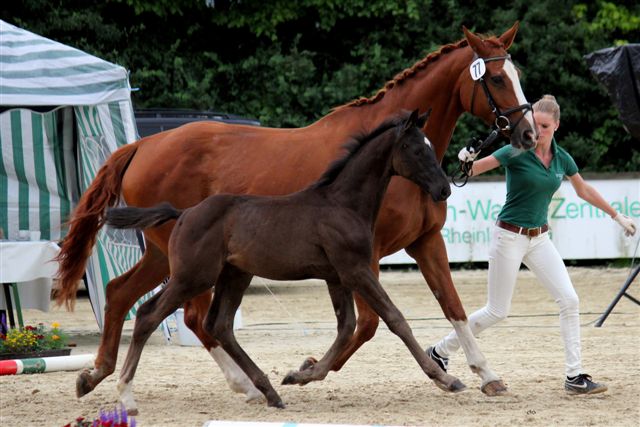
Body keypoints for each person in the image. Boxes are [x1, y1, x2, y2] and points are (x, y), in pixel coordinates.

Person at [426, 94, 637, 395]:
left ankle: (574, 376)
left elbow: (584, 190)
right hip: (508, 237)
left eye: (545, 126)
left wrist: (616, 216)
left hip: (539, 239)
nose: (538, 131)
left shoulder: (562, 159)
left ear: (557, 126)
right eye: (535, 125)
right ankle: (440, 351)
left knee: (570, 300)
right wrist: (466, 160)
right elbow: (469, 172)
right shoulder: (516, 150)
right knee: (497, 311)